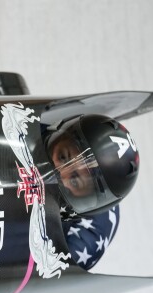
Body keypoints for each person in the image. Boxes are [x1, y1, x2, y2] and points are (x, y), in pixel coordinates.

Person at [44, 115, 139, 270]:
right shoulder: (37, 130)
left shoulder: (84, 241)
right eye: (63, 157)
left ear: (83, 199)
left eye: (74, 180)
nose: (59, 173)